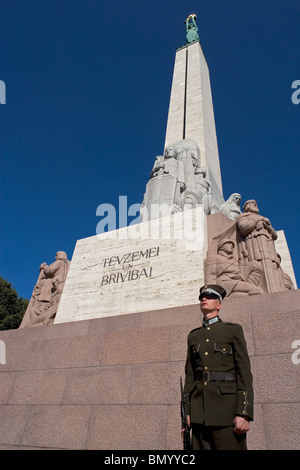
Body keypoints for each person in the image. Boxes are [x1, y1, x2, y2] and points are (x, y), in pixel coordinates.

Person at [182, 284, 254, 450]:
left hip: (226, 412)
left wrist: (243, 412)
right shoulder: (194, 336)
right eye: (201, 298)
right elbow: (190, 375)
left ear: (219, 304)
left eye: (209, 297)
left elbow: (244, 372)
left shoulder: (232, 330)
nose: (204, 299)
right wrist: (187, 412)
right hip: (199, 415)